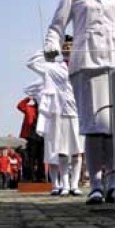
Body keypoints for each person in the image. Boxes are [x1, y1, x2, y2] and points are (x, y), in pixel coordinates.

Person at [44, 0, 115, 205]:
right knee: (93, 128)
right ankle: (96, 183)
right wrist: (51, 44)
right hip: (87, 64)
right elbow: (56, 26)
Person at [27, 36, 84, 197]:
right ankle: (64, 184)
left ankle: (74, 184)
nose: (67, 48)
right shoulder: (53, 67)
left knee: (77, 151)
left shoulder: (82, 64)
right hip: (58, 112)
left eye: (70, 45)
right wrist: (48, 50)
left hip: (77, 112)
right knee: (63, 151)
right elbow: (31, 63)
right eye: (64, 46)